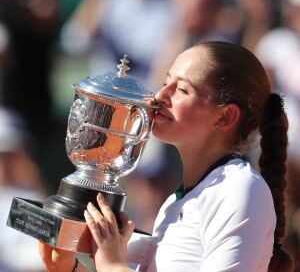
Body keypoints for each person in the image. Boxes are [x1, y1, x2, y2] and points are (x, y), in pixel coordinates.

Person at [38, 41, 294, 271]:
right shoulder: (175, 201)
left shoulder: (240, 188)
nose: (159, 97)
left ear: (225, 117)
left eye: (181, 90)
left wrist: (113, 266)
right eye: (165, 83)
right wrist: (70, 268)